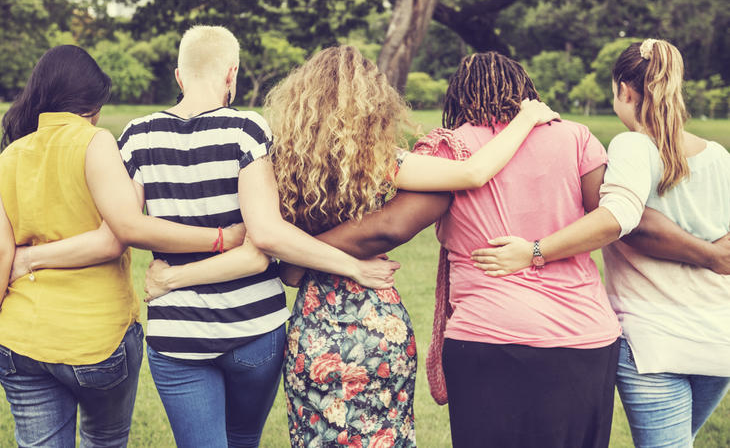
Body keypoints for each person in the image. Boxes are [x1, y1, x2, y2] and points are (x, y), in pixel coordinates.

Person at [144, 45, 558, 447]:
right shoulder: (379, 161)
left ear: (300, 99)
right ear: (373, 102)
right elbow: (472, 172)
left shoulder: (280, 164)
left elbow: (280, 258)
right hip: (378, 322)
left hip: (314, 329)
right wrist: (526, 117)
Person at [5, 30, 398, 448]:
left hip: (177, 335)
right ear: (232, 73)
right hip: (254, 329)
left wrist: (167, 278)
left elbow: (124, 227)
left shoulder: (137, 137)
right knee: (243, 437)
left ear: (179, 76)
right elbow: (266, 235)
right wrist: (354, 266)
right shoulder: (247, 129)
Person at [475, 39, 730, 447]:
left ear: (624, 91)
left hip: (653, 342)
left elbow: (618, 217)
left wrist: (533, 251)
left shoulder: (632, 145)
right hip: (719, 339)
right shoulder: (718, 156)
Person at [0, 44, 246, 448]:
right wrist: (221, 238)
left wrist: (28, 259)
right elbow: (119, 234)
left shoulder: (9, 156)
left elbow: (3, 256)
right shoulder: (93, 142)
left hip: (20, 339)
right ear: (91, 102)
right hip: (96, 339)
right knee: (105, 440)